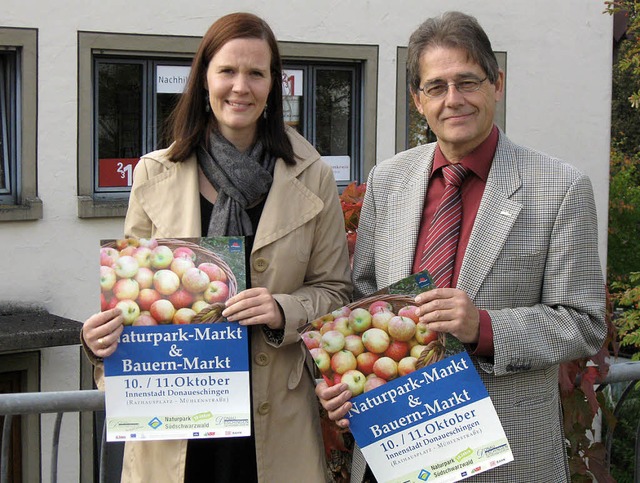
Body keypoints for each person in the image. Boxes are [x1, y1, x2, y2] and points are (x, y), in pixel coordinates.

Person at [316, 10, 607, 483]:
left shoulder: (560, 187)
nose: (453, 100)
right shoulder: (388, 181)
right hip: (395, 446)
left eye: (468, 82)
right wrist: (342, 382)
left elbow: (584, 322)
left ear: (497, 83)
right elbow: (363, 295)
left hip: (506, 457)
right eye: (436, 87)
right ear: (417, 100)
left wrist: (484, 326)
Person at [82, 12, 352, 483]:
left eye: (256, 73)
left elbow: (336, 293)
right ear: (204, 77)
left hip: (276, 424)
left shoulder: (313, 175)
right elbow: (136, 298)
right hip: (176, 415)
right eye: (227, 70)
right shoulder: (154, 173)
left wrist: (283, 308)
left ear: (273, 84)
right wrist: (98, 342)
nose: (240, 87)